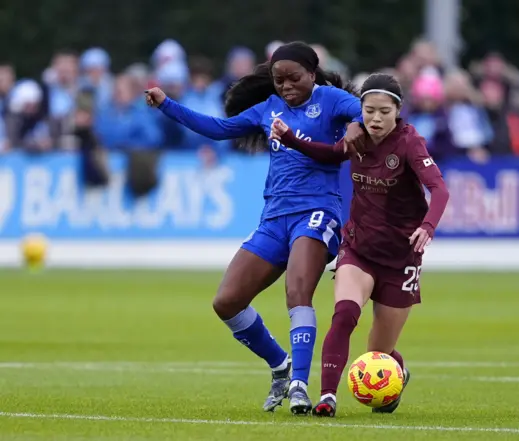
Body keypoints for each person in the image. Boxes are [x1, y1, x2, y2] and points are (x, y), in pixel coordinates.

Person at [145, 41, 365, 415]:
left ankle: (300, 384)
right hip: (275, 218)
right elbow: (217, 128)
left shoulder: (331, 99)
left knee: (297, 291)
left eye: (294, 78)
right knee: (226, 301)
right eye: (279, 80)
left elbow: (367, 111)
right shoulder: (269, 108)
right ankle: (281, 366)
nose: (286, 86)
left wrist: (358, 124)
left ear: (312, 74)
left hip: (317, 212)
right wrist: (167, 104)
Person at [269, 73, 450, 417]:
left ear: (398, 111)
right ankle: (327, 398)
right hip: (358, 249)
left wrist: (428, 226)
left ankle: (396, 370)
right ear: (361, 110)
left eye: (384, 111)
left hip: (401, 259)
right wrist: (291, 138)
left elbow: (440, 190)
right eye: (369, 110)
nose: (376, 119)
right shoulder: (358, 138)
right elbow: (329, 154)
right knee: (345, 314)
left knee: (376, 356)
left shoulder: (410, 143)